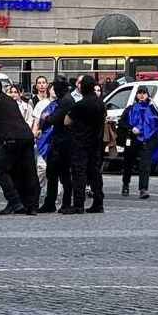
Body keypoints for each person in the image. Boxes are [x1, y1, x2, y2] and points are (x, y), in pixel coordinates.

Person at [0, 79, 39, 215]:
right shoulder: (9, 100)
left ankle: (14, 201)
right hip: (26, 137)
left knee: (0, 170)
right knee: (27, 172)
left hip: (11, 139)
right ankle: (32, 205)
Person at [61, 76, 106, 214]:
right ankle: (98, 203)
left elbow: (67, 121)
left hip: (80, 142)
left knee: (79, 173)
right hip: (95, 142)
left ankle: (78, 204)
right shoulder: (100, 103)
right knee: (95, 173)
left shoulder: (80, 104)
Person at [118, 87, 158, 199]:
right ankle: (125, 184)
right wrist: (131, 127)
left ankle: (143, 189)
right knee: (128, 163)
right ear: (136, 95)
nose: (142, 95)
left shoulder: (152, 108)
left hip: (146, 140)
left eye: (144, 93)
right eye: (140, 93)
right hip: (133, 139)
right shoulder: (130, 109)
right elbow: (122, 122)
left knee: (145, 165)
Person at [38, 79, 76, 214]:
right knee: (53, 173)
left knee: (61, 174)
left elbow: (53, 119)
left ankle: (62, 203)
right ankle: (52, 202)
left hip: (63, 142)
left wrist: (46, 117)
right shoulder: (67, 99)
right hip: (62, 140)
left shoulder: (65, 101)